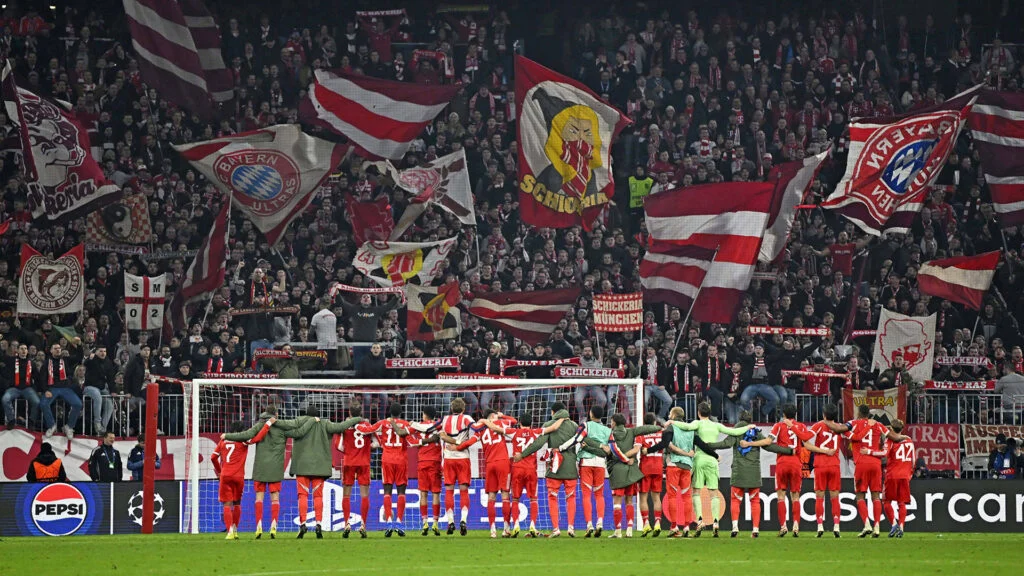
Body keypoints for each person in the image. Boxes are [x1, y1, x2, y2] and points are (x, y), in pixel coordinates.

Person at [667, 402, 753, 536]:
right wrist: (748, 427)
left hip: (699, 459)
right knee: (714, 493)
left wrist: (672, 422)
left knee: (696, 492)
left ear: (698, 413)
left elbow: (686, 426)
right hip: (712, 460)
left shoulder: (698, 423)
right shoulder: (716, 425)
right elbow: (734, 432)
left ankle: (700, 520)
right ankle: (716, 522)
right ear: (710, 412)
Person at [705, 409, 793, 538]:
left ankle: (735, 527)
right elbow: (769, 446)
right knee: (755, 501)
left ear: (740, 419)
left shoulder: (736, 430)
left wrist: (707, 445)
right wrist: (788, 451)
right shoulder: (755, 431)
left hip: (739, 471)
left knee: (735, 500)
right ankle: (755, 529)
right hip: (754, 471)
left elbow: (726, 444)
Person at [824, 404, 908, 537]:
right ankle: (877, 527)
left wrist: (825, 420)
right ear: (869, 414)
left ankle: (867, 525)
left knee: (860, 496)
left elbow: (838, 428)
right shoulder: (878, 425)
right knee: (876, 496)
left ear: (858, 413)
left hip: (861, 463)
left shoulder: (853, 423)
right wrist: (906, 438)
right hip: (875, 464)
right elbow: (896, 438)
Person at [223, 405, 306, 539]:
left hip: (260, 467)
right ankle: (273, 525)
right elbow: (299, 432)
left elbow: (246, 435)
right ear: (276, 414)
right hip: (276, 467)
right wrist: (312, 423)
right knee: (275, 497)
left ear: (265, 413)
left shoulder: (259, 425)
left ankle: (259, 525)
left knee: (259, 497)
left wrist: (227, 435)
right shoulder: (283, 427)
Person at [286, 405, 364, 539]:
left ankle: (303, 523)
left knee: (302, 495)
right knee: (318, 496)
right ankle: (318, 524)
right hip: (320, 467)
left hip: (302, 466)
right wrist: (357, 418)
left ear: (306, 415)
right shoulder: (325, 423)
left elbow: (286, 429)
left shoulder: (299, 424)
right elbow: (341, 426)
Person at [583, 412, 662, 538]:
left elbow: (604, 453)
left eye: (611, 421)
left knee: (617, 502)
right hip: (631, 470)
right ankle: (629, 530)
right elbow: (646, 429)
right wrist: (659, 427)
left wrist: (587, 448)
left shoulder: (610, 434)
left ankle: (618, 531)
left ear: (614, 422)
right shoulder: (631, 432)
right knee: (629, 501)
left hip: (617, 471)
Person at [760, 403, 833, 537]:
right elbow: (807, 445)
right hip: (796, 464)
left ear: (783, 414)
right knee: (795, 496)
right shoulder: (801, 426)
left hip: (782, 463)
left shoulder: (778, 426)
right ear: (796, 414)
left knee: (781, 496)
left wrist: (753, 442)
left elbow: (768, 441)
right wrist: (824, 451)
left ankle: (783, 526)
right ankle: (796, 526)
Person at [514, 401, 581, 537]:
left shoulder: (549, 424)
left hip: (554, 467)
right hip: (570, 467)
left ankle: (556, 528)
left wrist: (523, 454)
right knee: (571, 497)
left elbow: (538, 443)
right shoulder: (574, 425)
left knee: (552, 497)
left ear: (553, 412)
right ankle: (571, 527)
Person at [452, 409, 515, 538]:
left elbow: (469, 442)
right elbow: (514, 421)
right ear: (492, 416)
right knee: (505, 495)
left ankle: (492, 530)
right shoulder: (500, 423)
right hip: (503, 463)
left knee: (491, 497)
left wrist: (457, 448)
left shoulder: (480, 430)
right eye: (496, 415)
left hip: (490, 464)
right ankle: (506, 529)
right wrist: (502, 416)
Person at [366, 403, 411, 537]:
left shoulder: (383, 423)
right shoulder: (405, 424)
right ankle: (399, 522)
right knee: (401, 492)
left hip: (387, 460)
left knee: (387, 491)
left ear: (389, 412)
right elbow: (411, 441)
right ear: (401, 412)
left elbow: (369, 430)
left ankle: (389, 522)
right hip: (401, 459)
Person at [338, 404, 377, 538]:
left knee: (346, 495)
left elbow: (339, 446)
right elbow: (377, 443)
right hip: (364, 462)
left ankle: (347, 524)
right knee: (364, 495)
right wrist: (366, 448)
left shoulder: (344, 425)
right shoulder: (367, 425)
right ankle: (363, 525)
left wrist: (350, 451)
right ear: (361, 412)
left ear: (349, 412)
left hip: (349, 462)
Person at [212, 421, 256, 540]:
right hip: (239, 476)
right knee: (237, 503)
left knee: (227, 504)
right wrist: (266, 425)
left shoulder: (223, 441)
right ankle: (235, 530)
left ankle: (230, 531)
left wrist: (219, 471)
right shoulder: (243, 441)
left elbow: (213, 457)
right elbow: (257, 438)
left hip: (225, 475)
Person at [573, 405, 611, 538]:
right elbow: (609, 448)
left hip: (586, 462)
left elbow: (578, 438)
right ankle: (600, 522)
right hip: (600, 463)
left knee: (586, 495)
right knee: (599, 495)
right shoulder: (608, 430)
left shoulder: (585, 425)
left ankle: (589, 524)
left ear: (590, 414)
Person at [439, 397, 475, 535]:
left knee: (449, 491)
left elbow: (441, 435)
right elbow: (476, 429)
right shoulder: (466, 418)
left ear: (451, 408)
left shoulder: (444, 419)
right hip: (462, 458)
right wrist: (460, 443)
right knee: (463, 490)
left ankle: (450, 522)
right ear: (463, 409)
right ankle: (463, 520)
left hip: (448, 458)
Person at [809, 403, 845, 537]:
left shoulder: (818, 425)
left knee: (819, 496)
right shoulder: (840, 427)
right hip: (834, 465)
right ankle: (836, 526)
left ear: (824, 415)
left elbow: (806, 441)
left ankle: (820, 526)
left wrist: (821, 450)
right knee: (835, 497)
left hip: (820, 464)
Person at [508, 412, 542, 538]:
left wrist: (486, 421)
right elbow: (552, 428)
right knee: (533, 499)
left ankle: (516, 525)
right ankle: (532, 525)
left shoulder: (513, 432)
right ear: (531, 423)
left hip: (517, 469)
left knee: (515, 499)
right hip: (531, 470)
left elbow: (497, 429)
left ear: (520, 423)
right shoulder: (536, 432)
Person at [37, 343, 82, 439]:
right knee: (43, 404)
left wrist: (79, 345)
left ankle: (69, 427)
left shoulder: (65, 360)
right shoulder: (46, 363)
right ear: (51, 351)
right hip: (52, 388)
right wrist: (46, 390)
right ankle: (51, 425)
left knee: (78, 404)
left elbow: (79, 357)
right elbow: (42, 378)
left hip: (66, 388)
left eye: (59, 348)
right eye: (55, 348)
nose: (58, 350)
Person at [410, 406, 443, 536]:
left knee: (423, 493)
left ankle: (424, 523)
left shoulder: (418, 426)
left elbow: (411, 441)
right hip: (435, 462)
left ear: (424, 414)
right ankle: (435, 523)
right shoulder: (438, 425)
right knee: (436, 494)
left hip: (422, 461)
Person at [883, 419, 915, 538]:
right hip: (905, 475)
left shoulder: (890, 440)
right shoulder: (909, 440)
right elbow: (913, 459)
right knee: (901, 503)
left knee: (886, 501)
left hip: (892, 475)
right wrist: (910, 473)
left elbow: (884, 455)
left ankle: (894, 524)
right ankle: (901, 526)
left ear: (892, 429)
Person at [637, 412, 666, 536]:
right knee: (656, 497)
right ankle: (658, 523)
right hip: (658, 466)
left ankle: (646, 523)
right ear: (655, 422)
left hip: (645, 467)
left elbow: (637, 448)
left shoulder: (641, 434)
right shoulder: (661, 433)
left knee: (643, 497)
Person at [3, 343, 40, 429]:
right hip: (14, 388)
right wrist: (8, 383)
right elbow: (4, 371)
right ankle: (11, 420)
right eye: (21, 348)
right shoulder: (11, 361)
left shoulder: (32, 363)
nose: (23, 350)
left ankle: (31, 421)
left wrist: (35, 388)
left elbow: (37, 377)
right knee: (5, 399)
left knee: (37, 402)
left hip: (28, 388)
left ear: (27, 351)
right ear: (18, 350)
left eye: (25, 349)